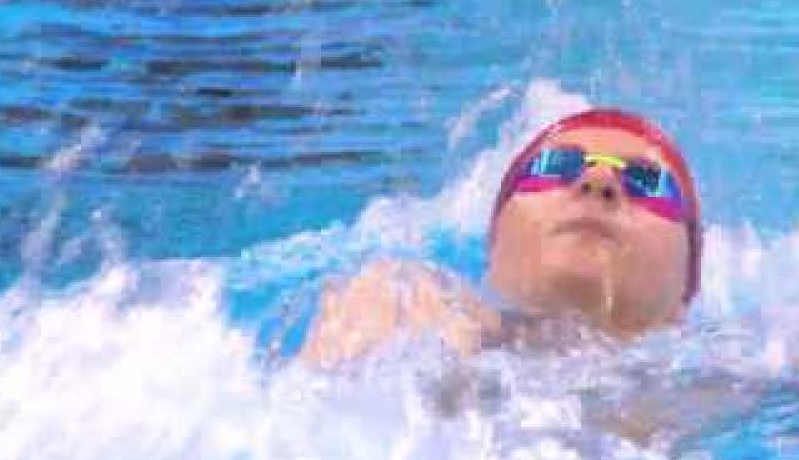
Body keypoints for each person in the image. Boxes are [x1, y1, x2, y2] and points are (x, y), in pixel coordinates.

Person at [300, 108, 702, 367]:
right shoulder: (422, 320)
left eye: (647, 181)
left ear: (690, 280)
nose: (597, 180)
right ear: (494, 245)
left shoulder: (745, 382)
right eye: (557, 165)